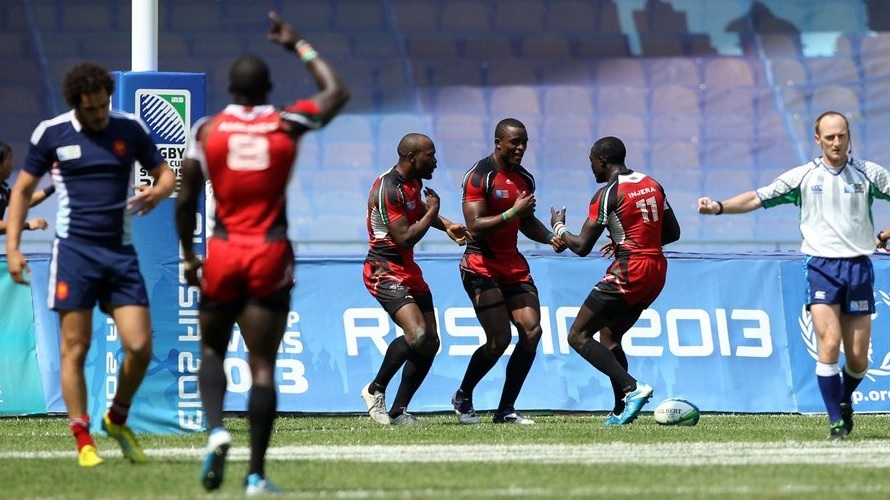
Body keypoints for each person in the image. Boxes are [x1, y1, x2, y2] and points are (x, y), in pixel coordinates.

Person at [175, 11, 349, 494]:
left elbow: (186, 199)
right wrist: (299, 45)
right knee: (263, 366)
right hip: (269, 252)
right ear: (269, 87)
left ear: (231, 89)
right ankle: (254, 475)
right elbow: (336, 94)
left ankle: (214, 431)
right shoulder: (284, 122)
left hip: (225, 250)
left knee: (211, 347)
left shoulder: (207, 130)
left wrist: (190, 257)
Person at [5, 62, 176, 467]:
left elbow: (166, 173)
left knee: (139, 345)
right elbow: (22, 190)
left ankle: (116, 418)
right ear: (75, 105)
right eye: (91, 110)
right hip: (75, 255)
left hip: (120, 254)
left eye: (103, 106)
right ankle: (84, 440)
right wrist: (14, 247)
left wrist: (157, 192)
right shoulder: (51, 133)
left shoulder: (129, 127)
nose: (99, 115)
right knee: (75, 349)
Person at [698, 110, 890, 440]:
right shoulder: (803, 177)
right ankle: (835, 424)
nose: (836, 142)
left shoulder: (868, 174)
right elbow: (757, 197)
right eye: (829, 136)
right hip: (821, 267)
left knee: (858, 360)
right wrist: (718, 207)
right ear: (817, 140)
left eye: (841, 135)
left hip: (858, 267)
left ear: (849, 137)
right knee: (828, 344)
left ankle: (844, 399)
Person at [549, 136, 680, 425]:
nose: (592, 169)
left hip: (629, 270)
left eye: (592, 163)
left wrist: (558, 226)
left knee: (577, 335)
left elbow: (582, 246)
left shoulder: (608, 194)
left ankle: (633, 388)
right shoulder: (652, 183)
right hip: (656, 270)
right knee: (609, 337)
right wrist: (624, 240)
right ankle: (621, 409)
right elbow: (672, 234)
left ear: (602, 161)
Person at [451, 117, 565, 425]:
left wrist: (549, 236)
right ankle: (463, 394)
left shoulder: (524, 179)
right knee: (498, 340)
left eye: (524, 142)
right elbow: (474, 226)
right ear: (498, 142)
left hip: (512, 264)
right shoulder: (479, 176)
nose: (521, 148)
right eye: (515, 142)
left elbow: (525, 221)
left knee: (532, 331)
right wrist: (514, 210)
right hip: (480, 264)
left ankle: (505, 409)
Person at [360, 133, 469, 426]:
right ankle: (374, 390)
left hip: (408, 270)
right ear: (412, 158)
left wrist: (445, 224)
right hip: (383, 270)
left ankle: (398, 412)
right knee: (417, 334)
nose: (434, 161)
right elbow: (405, 237)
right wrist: (434, 209)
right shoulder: (387, 189)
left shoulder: (413, 183)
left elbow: (416, 211)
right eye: (430, 156)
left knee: (430, 342)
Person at [0, 141, 54, 235]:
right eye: (9, 160)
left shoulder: (3, 189)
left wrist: (55, 186)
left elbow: (24, 201)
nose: (12, 166)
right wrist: (27, 225)